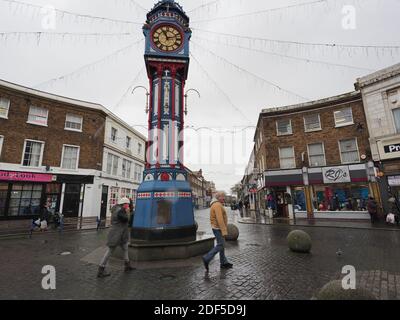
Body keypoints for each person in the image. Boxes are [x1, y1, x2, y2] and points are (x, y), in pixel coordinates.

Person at [97, 197, 136, 278]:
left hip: (120, 234)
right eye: (127, 204)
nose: (128, 205)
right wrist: (128, 212)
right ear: (124, 204)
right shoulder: (120, 211)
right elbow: (126, 219)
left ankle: (127, 265)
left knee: (125, 249)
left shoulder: (116, 209)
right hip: (117, 234)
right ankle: (101, 269)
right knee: (109, 251)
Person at [202, 192, 233, 272]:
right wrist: (224, 231)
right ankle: (207, 258)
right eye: (223, 197)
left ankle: (223, 263)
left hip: (217, 228)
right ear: (218, 197)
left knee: (221, 246)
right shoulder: (217, 205)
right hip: (218, 228)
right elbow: (220, 219)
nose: (224, 198)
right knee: (221, 245)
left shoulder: (217, 204)